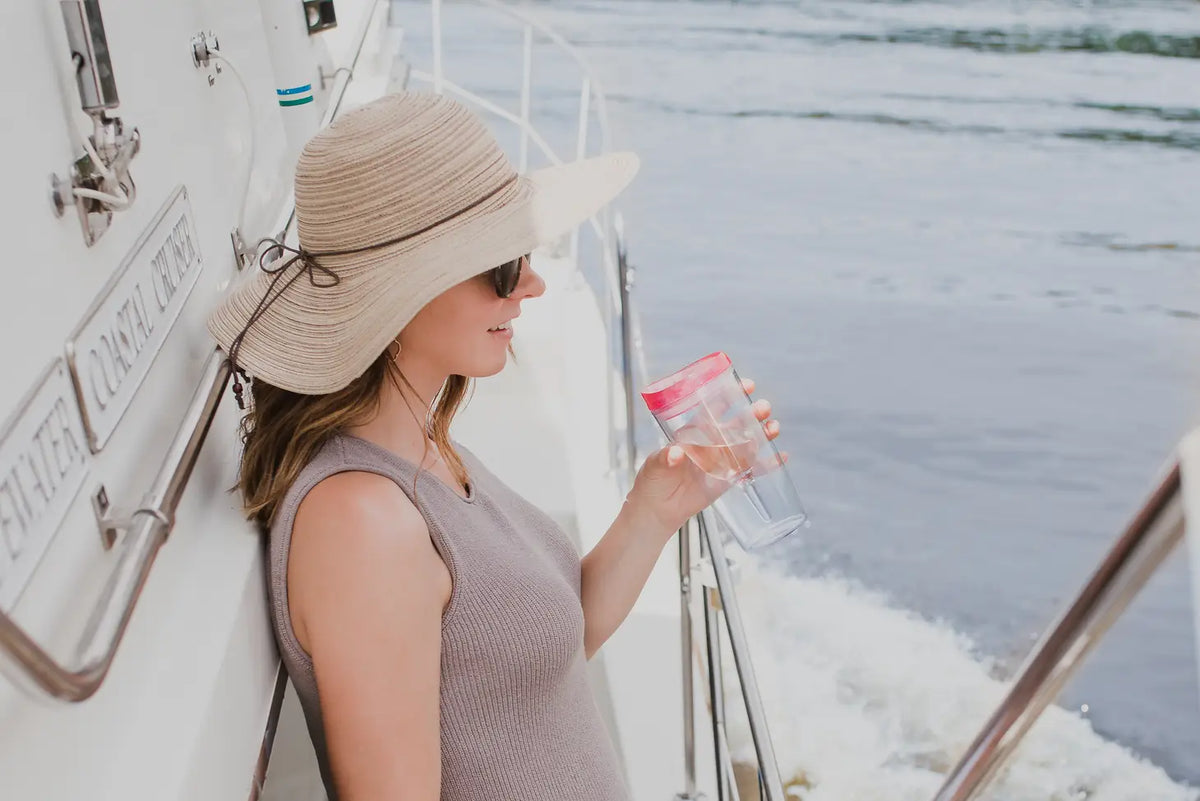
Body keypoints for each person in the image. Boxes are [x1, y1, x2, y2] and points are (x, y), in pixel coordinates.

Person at [207, 91, 781, 801]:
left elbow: (527, 661)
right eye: (505, 265)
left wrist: (655, 509)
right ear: (404, 291)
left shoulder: (420, 446)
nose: (532, 284)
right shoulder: (361, 522)